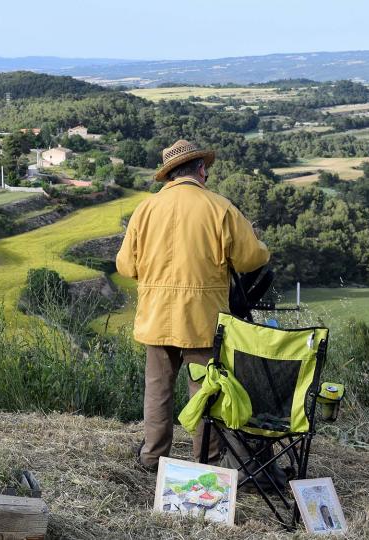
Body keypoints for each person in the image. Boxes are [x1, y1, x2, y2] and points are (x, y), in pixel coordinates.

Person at [115, 139, 270, 471]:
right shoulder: (220, 208)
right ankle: (206, 461)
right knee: (205, 392)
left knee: (157, 390)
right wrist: (260, 245)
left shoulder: (145, 209)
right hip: (203, 320)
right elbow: (250, 258)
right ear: (201, 169)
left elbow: (126, 267)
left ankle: (153, 458)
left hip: (155, 317)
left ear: (169, 174)